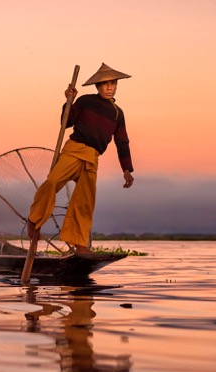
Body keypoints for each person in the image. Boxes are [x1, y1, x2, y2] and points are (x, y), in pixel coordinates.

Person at [27, 63, 135, 254]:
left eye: (113, 83)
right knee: (52, 182)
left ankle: (79, 244)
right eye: (105, 84)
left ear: (117, 85)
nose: (109, 87)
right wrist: (69, 101)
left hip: (92, 158)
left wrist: (126, 170)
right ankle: (34, 221)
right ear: (98, 87)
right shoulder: (85, 101)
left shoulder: (118, 113)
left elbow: (122, 142)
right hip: (74, 150)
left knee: (84, 202)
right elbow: (66, 122)